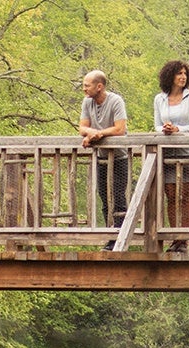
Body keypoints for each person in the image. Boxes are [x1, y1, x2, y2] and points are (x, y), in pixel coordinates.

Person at [153, 59, 189, 252]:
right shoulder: (160, 98)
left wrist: (178, 129)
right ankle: (174, 237)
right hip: (167, 153)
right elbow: (156, 123)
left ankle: (184, 239)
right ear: (170, 76)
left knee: (184, 196)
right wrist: (164, 129)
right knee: (171, 196)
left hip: (187, 151)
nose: (182, 77)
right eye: (179, 74)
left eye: (185, 74)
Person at [79, 70, 128, 250]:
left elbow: (119, 129)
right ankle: (110, 236)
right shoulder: (87, 102)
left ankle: (120, 236)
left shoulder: (115, 101)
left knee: (118, 198)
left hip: (119, 157)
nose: (84, 89)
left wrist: (99, 134)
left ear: (99, 86)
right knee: (105, 197)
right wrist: (92, 134)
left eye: (87, 85)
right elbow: (82, 127)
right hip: (101, 158)